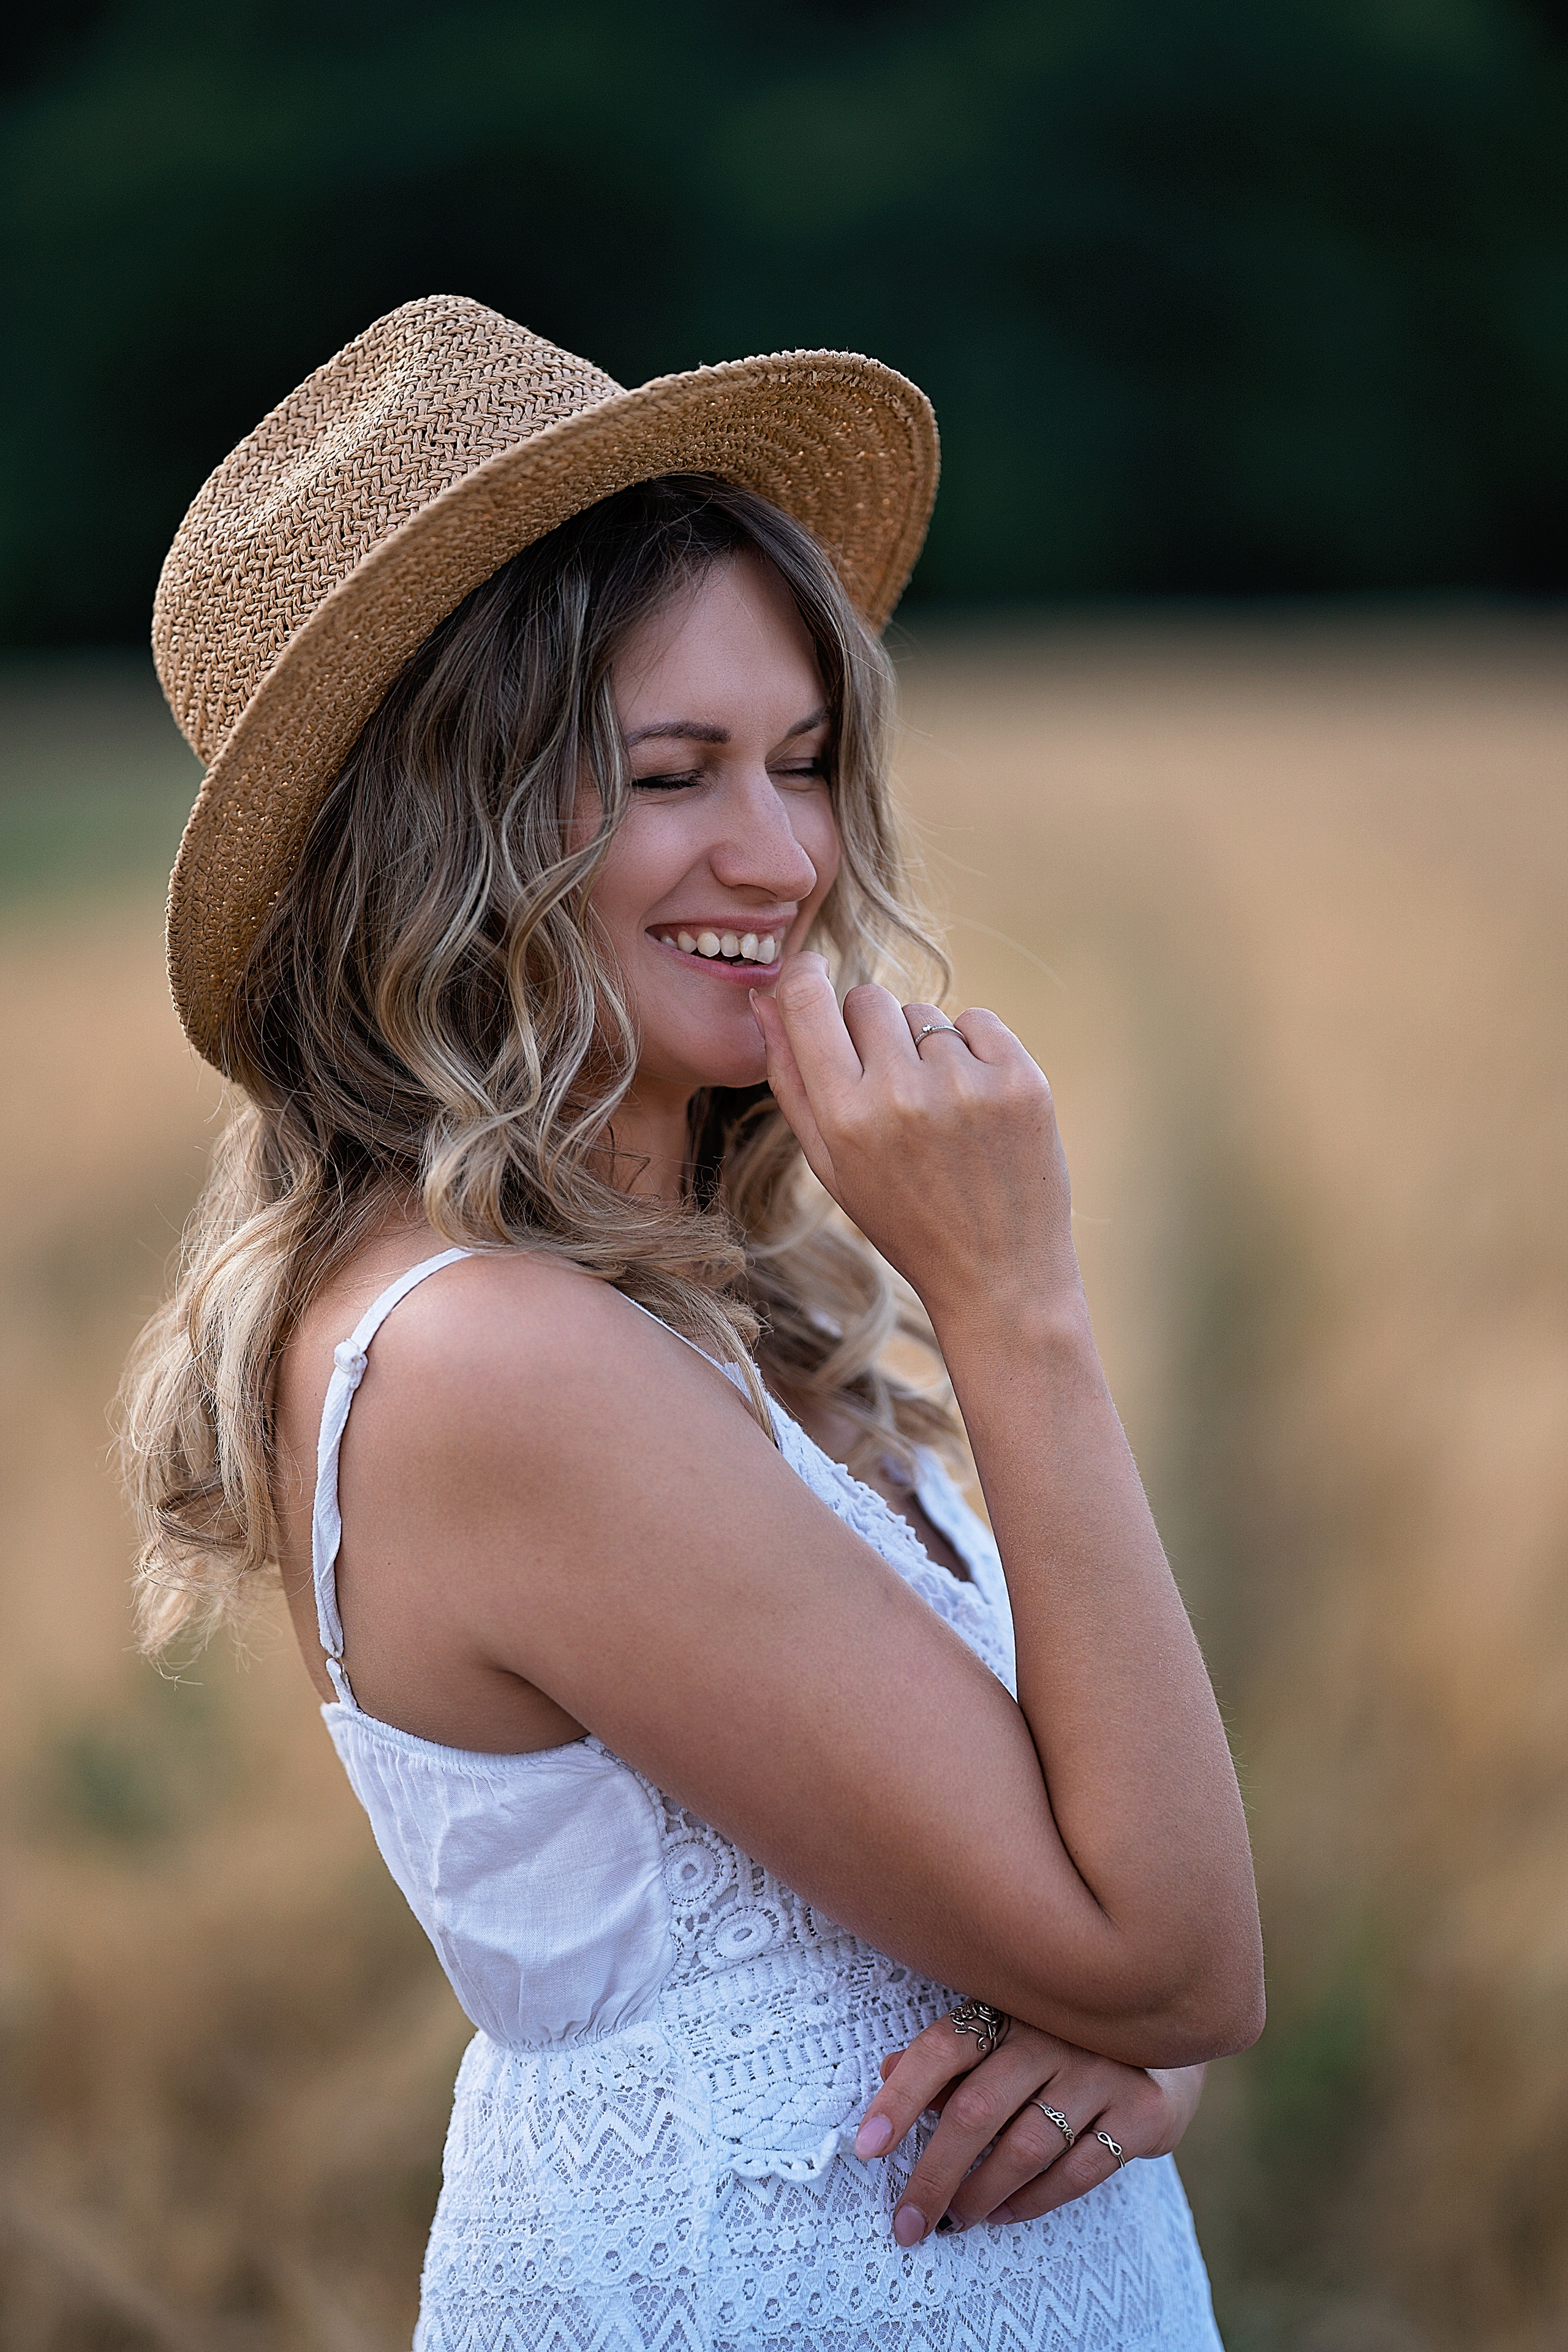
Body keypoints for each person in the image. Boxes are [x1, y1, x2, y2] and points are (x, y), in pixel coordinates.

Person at [122, 296, 1263, 2351]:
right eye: (673, 776)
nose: (785, 857)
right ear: (439, 838)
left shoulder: (715, 1314)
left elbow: (1140, 1955)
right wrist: (1016, 1310)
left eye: (807, 762)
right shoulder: (491, 1362)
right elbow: (1175, 1945)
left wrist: (1136, 2055)